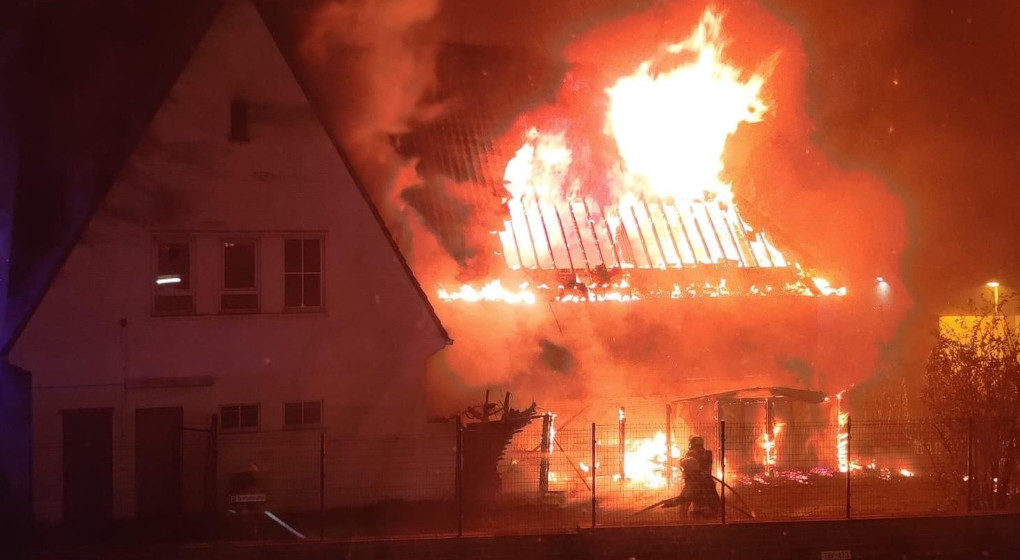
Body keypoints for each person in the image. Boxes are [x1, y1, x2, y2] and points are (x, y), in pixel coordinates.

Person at [664, 435, 720, 520]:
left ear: (691, 444)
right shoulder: (708, 453)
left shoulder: (690, 454)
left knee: (684, 503)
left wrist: (681, 462)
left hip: (693, 482)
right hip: (707, 481)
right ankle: (716, 518)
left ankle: (684, 521)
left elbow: (686, 464)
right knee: (713, 501)